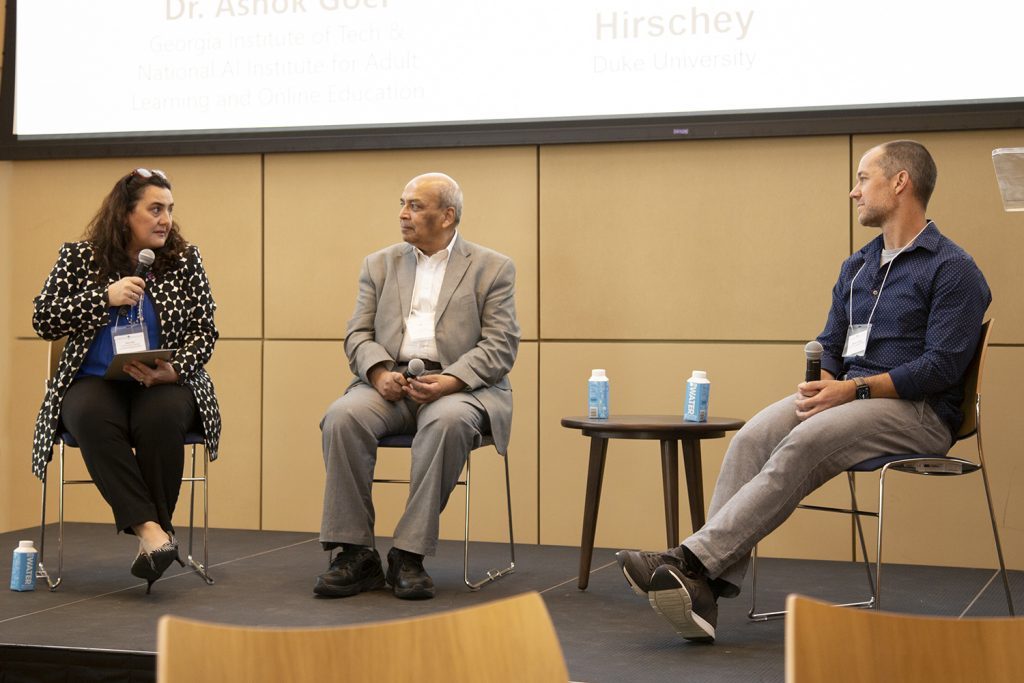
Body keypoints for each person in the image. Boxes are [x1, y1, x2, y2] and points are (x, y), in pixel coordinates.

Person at [617, 140, 991, 643]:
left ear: (900, 182)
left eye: (863, 178)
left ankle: (691, 561)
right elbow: (832, 341)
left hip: (919, 412)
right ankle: (704, 586)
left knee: (804, 442)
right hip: (851, 401)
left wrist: (852, 391)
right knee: (751, 437)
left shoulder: (953, 269)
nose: (853, 191)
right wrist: (827, 380)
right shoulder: (857, 267)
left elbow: (941, 367)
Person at [315, 172, 520, 600]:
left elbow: (501, 346)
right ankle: (355, 553)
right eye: (402, 203)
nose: (403, 214)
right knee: (342, 417)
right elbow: (357, 335)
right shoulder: (379, 263)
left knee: (447, 424)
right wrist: (377, 374)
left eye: (415, 206)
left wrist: (449, 381)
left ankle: (409, 555)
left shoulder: (492, 267)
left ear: (447, 216)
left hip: (461, 387)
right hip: (391, 382)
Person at [31, 168, 221, 593]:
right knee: (89, 416)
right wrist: (104, 298)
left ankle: (154, 540)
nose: (166, 220)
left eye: (170, 210)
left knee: (161, 417)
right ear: (124, 216)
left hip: (163, 380)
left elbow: (204, 331)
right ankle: (154, 533)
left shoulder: (185, 260)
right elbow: (43, 318)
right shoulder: (79, 257)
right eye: (155, 209)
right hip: (95, 380)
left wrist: (177, 368)